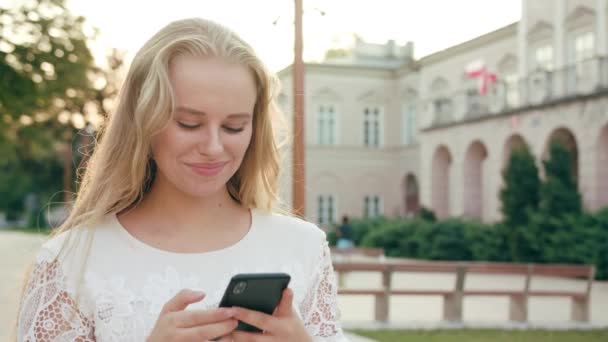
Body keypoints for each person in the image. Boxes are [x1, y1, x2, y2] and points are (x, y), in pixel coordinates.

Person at [15, 18, 347, 342]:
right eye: (189, 123)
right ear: (142, 120)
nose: (214, 147)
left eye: (234, 126)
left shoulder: (304, 248)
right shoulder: (70, 262)